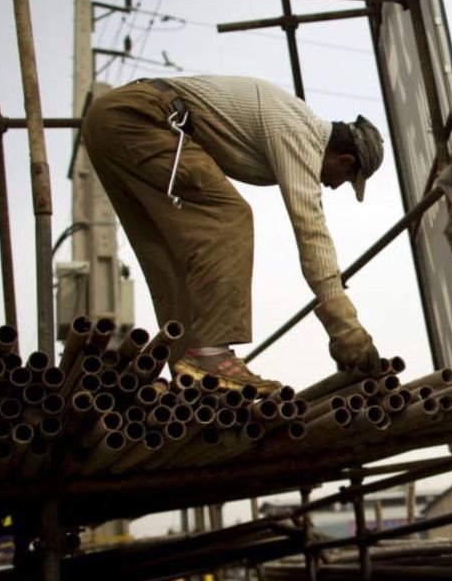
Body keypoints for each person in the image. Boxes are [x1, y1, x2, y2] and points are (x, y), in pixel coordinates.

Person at [82, 75, 385, 394]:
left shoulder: (291, 123)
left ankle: (189, 368)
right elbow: (310, 228)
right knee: (230, 218)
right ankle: (211, 355)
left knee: (171, 254)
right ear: (345, 159)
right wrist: (345, 325)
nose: (335, 186)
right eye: (347, 179)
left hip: (110, 122)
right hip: (144, 119)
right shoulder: (301, 135)